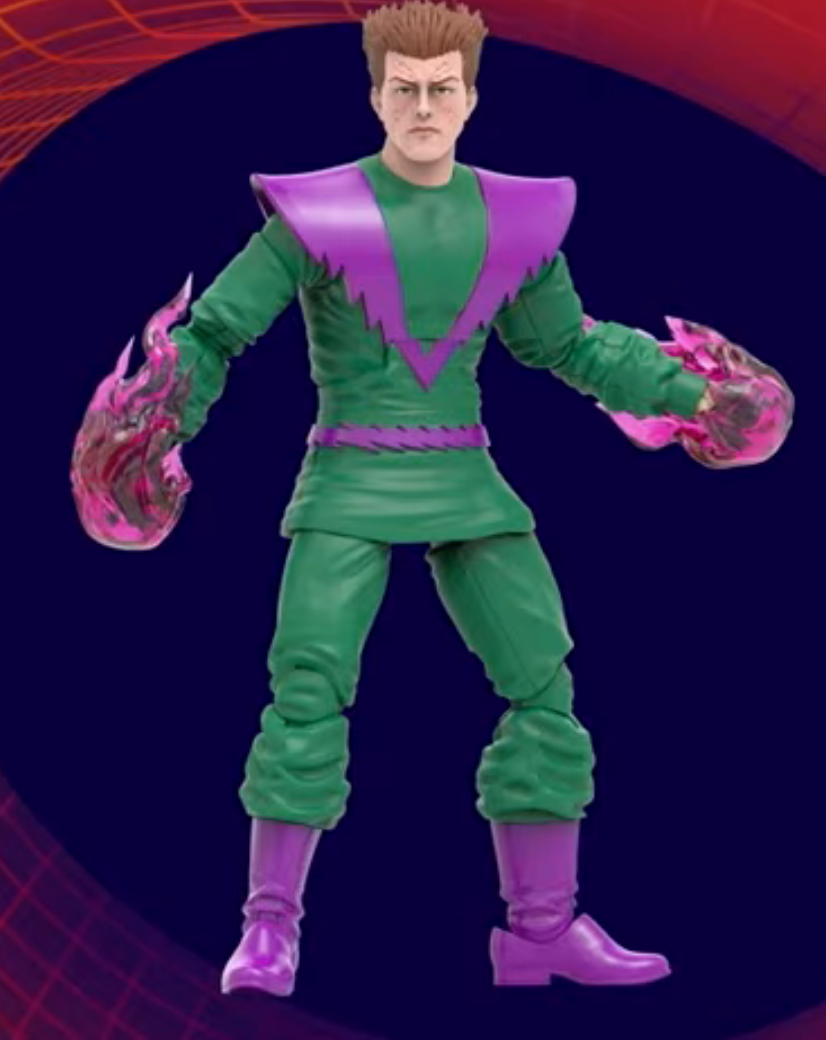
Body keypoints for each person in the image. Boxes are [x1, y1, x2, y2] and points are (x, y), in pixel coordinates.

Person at [71, 0, 789, 996]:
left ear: (470, 97)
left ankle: (541, 929)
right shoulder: (313, 215)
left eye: (440, 89)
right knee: (306, 689)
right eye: (403, 90)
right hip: (348, 475)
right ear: (375, 96)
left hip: (464, 475)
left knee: (542, 681)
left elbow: (568, 344)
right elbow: (218, 332)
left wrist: (692, 394)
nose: (422, 108)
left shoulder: (514, 219)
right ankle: (269, 928)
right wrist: (157, 416)